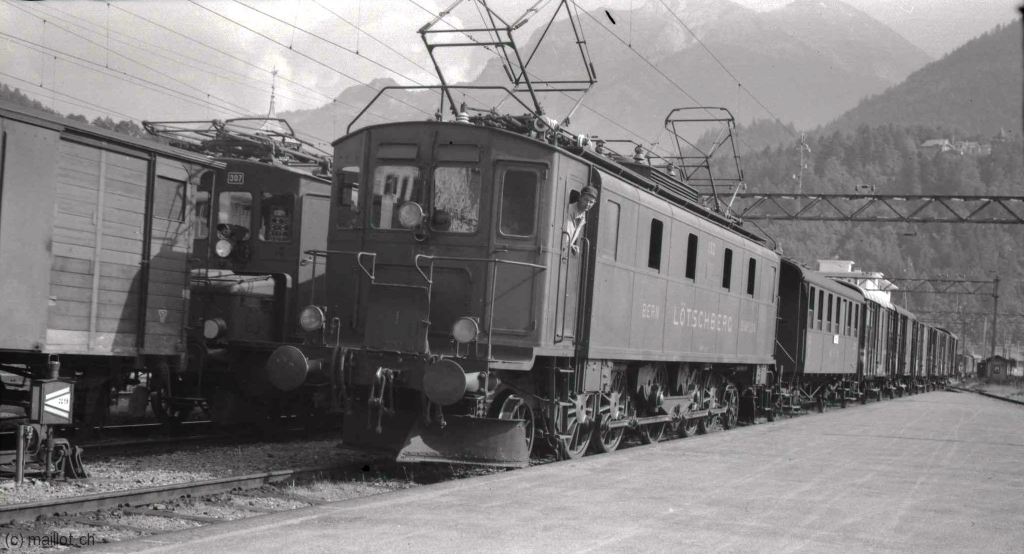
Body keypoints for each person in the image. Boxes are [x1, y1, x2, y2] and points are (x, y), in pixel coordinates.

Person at [566, 185, 598, 255]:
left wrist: (571, 245)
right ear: (580, 197)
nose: (587, 204)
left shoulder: (583, 218)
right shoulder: (567, 209)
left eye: (591, 202)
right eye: (585, 200)